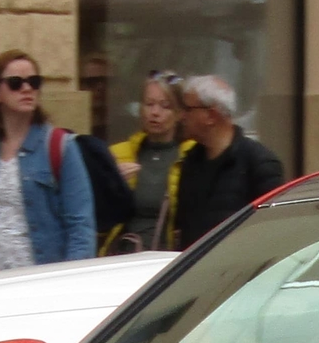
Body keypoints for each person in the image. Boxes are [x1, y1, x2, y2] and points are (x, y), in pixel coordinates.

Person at [0, 49, 96, 276]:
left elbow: (81, 229)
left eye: (34, 82)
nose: (27, 89)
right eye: (15, 83)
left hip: (42, 285)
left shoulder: (60, 147)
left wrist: (68, 284)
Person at [169, 75, 285, 250]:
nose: (181, 117)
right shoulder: (190, 162)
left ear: (211, 115)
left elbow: (272, 233)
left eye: (188, 109)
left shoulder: (260, 163)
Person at [109, 73, 192, 252]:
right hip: (123, 257)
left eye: (165, 106)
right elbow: (96, 218)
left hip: (166, 260)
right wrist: (110, 185)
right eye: (149, 104)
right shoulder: (119, 154)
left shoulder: (191, 156)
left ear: (180, 114)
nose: (155, 112)